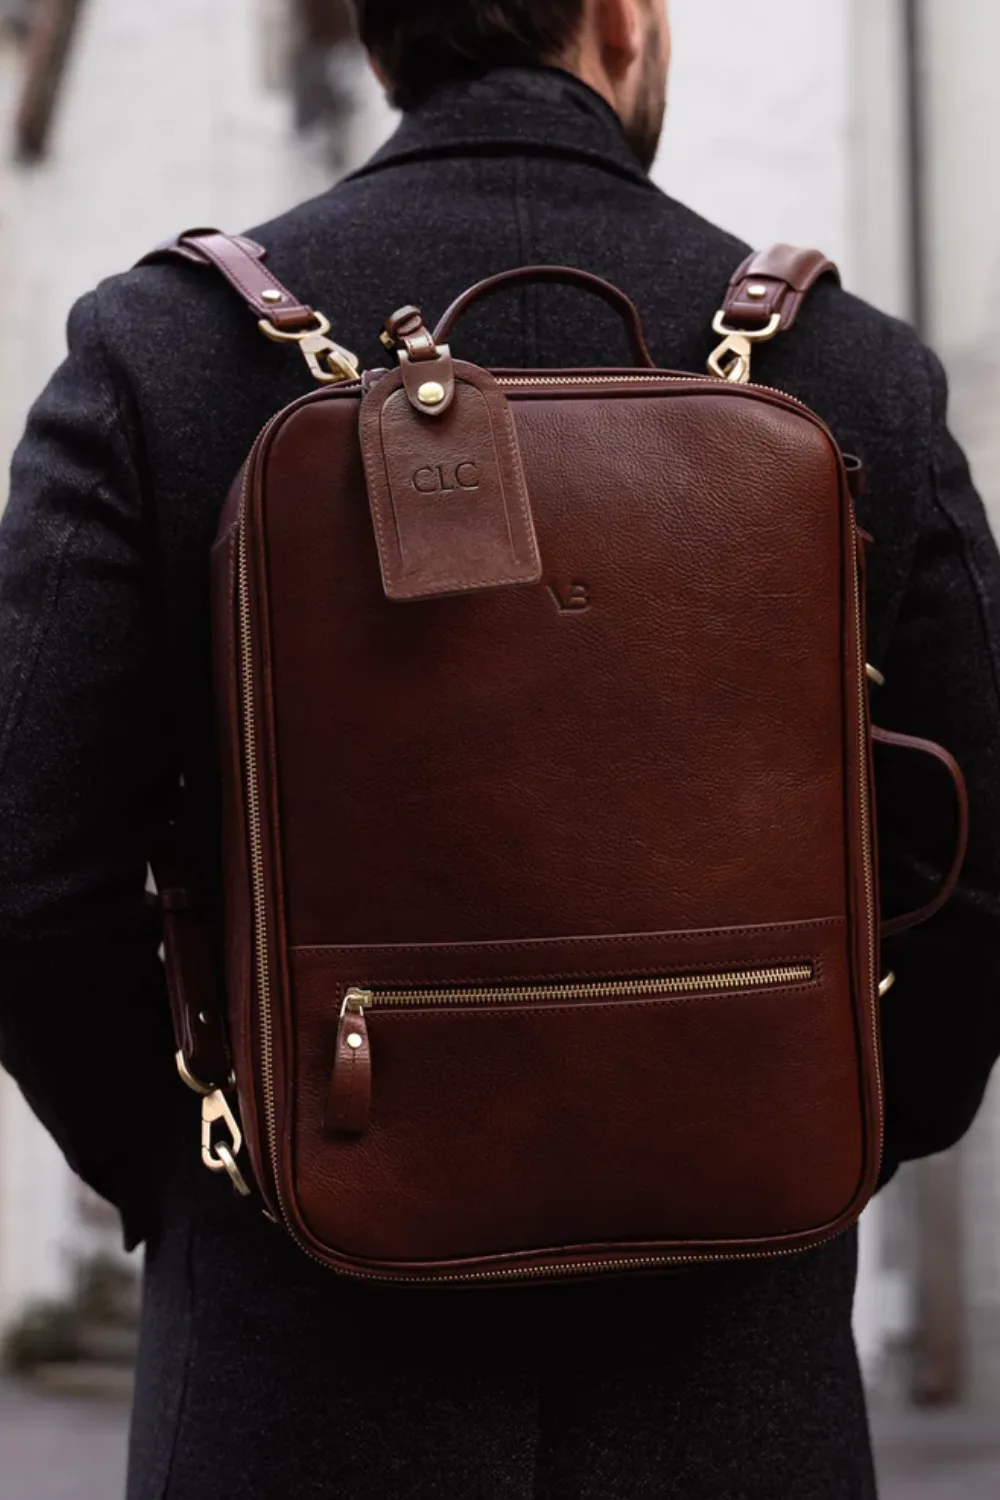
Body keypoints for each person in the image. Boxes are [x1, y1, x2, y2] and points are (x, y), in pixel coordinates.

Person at [2, 2, 999, 1495]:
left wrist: (212, 1155)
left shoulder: (158, 354)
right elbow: (970, 854)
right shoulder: (851, 368)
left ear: (379, 30)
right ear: (623, 21)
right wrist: (822, 1121)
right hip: (735, 1374)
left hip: (296, 1370)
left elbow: (30, 864)